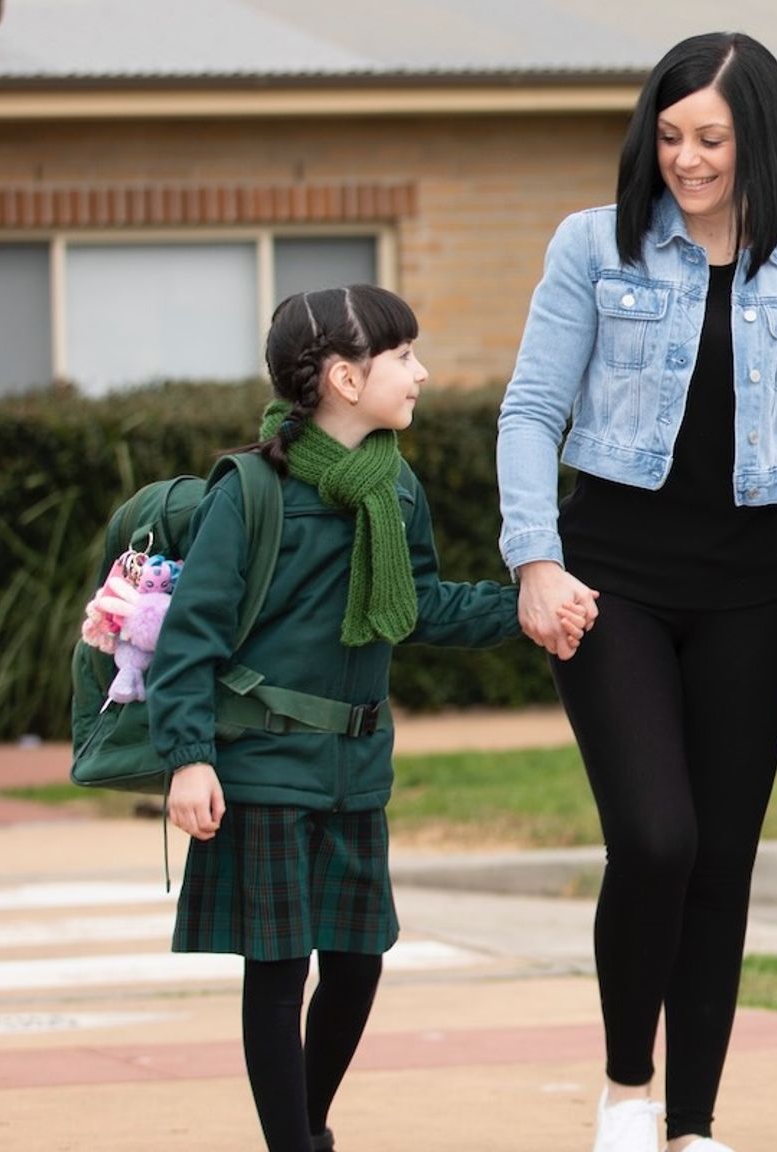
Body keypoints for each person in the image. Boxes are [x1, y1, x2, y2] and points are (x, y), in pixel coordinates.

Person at [496, 31, 777, 1152]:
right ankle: (625, 1086)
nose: (687, 160)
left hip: (749, 594)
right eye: (668, 136)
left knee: (722, 863)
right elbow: (529, 412)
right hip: (613, 588)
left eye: (711, 138)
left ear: (762, 142)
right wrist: (535, 558)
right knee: (655, 840)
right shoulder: (591, 248)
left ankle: (695, 1126)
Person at [152, 284, 562, 1152]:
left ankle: (308, 1125)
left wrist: (533, 608)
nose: (421, 373)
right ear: (344, 377)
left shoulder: (392, 487)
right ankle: (296, 1145)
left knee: (356, 960)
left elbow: (419, 608)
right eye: (403, 357)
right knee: (278, 969)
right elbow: (192, 637)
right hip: (261, 765)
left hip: (353, 771)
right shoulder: (252, 491)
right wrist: (190, 757)